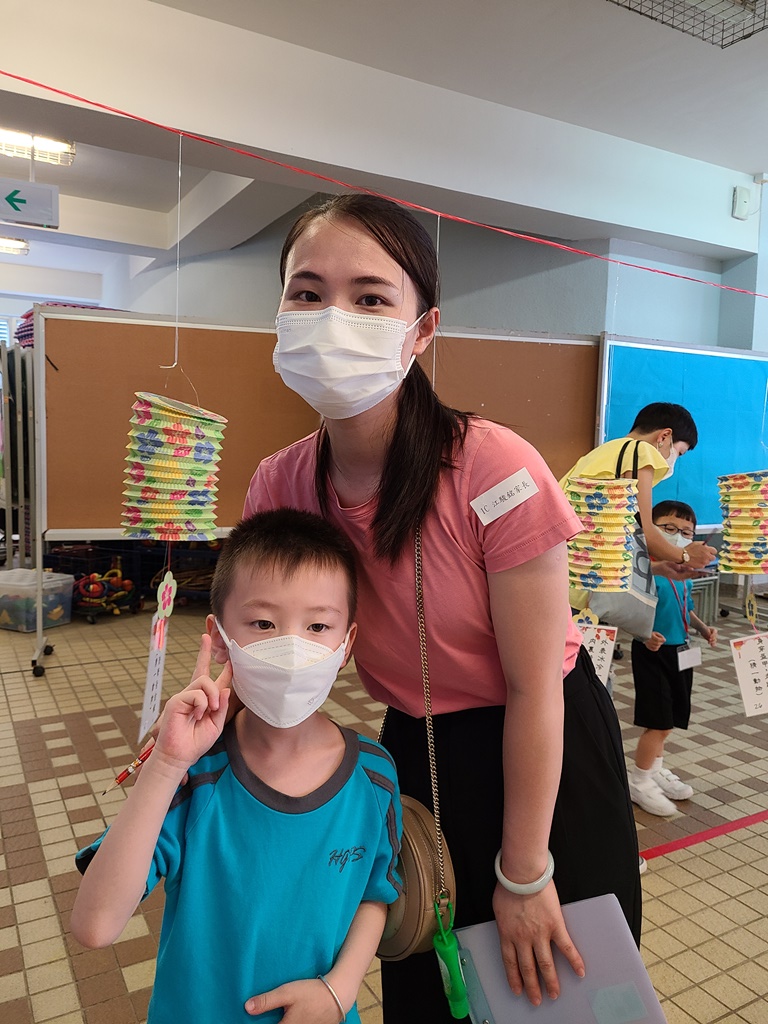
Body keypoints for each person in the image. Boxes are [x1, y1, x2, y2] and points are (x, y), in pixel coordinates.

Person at [243, 193, 641, 1022]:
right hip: (412, 743)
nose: (334, 317)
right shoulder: (280, 483)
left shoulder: (494, 469)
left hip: (542, 741)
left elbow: (534, 686)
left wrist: (524, 871)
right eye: (308, 292)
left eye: (370, 297)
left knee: (556, 996)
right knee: (428, 986)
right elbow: (265, 648)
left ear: (422, 329)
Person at [71, 508, 403, 1024]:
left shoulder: (374, 775)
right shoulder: (197, 776)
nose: (292, 648)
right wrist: (167, 765)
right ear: (221, 637)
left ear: (346, 646)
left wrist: (339, 991)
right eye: (263, 623)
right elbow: (95, 926)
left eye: (318, 626)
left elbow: (375, 892)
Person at [559, 402, 717, 612]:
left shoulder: (601, 453)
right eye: (679, 453)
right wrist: (685, 555)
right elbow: (644, 531)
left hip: (561, 575)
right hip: (582, 587)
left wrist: (659, 567)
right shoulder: (640, 451)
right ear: (664, 436)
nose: (674, 461)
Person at [628, 500, 718, 817]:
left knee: (670, 721)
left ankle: (655, 771)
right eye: (668, 528)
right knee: (658, 723)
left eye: (686, 531)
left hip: (681, 651)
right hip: (652, 652)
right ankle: (639, 781)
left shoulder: (683, 571)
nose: (678, 535)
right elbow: (627, 610)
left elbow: (686, 607)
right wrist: (643, 635)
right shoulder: (643, 568)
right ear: (650, 531)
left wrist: (703, 628)